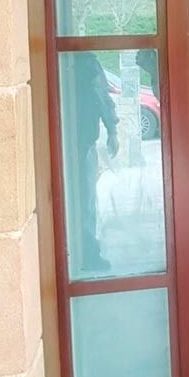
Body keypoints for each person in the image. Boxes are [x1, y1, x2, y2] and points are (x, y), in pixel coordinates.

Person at [64, 52, 119, 275]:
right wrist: (112, 131)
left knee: (81, 201)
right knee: (83, 201)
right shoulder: (83, 62)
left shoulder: (76, 61)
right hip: (78, 143)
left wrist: (112, 129)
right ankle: (86, 254)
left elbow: (102, 97)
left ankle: (84, 252)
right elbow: (101, 97)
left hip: (79, 141)